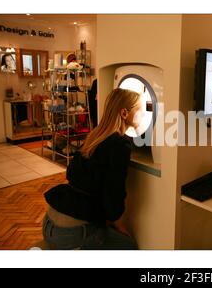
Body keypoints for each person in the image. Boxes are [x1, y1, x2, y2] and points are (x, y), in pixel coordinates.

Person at [42, 88, 143, 249]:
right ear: (124, 113)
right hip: (70, 232)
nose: (144, 114)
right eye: (140, 110)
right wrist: (118, 224)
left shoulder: (95, 136)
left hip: (49, 223)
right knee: (128, 246)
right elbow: (114, 194)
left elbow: (76, 174)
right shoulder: (119, 145)